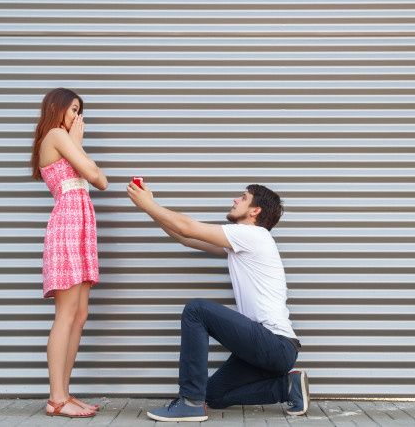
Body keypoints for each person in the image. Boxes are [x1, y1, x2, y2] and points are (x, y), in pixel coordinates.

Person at [126, 181, 309, 422]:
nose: (235, 200)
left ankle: (190, 403)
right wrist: (148, 208)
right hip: (269, 350)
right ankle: (286, 386)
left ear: (255, 211)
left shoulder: (252, 234)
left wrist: (149, 203)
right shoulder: (243, 242)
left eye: (243, 198)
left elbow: (188, 227)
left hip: (275, 344)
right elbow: (186, 238)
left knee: (196, 310)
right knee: (214, 394)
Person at [31, 88, 108, 418]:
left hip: (81, 227)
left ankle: (65, 392)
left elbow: (98, 178)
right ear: (57, 109)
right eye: (73, 109)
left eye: (80, 111)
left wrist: (79, 147)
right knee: (66, 313)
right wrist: (77, 142)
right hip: (66, 225)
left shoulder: (68, 141)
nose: (78, 116)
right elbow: (96, 176)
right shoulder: (56, 135)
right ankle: (56, 398)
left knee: (80, 313)